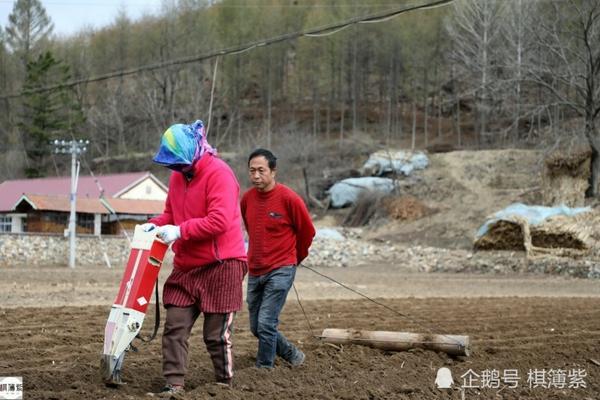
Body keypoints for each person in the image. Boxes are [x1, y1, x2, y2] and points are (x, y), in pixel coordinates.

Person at [144, 120, 247, 398]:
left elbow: (219, 221)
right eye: (172, 165)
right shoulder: (178, 177)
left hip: (222, 263)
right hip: (187, 265)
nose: (175, 169)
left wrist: (179, 231)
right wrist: (154, 225)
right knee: (175, 326)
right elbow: (171, 214)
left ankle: (224, 386)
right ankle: (174, 384)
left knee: (215, 336)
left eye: (178, 163)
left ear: (193, 152)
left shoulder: (220, 174)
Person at [240, 148, 316, 369]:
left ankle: (264, 367)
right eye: (252, 171)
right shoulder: (247, 199)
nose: (256, 176)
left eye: (261, 171)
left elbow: (307, 232)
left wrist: (294, 258)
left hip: (281, 268)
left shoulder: (289, 199)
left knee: (266, 322)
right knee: (256, 327)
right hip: (255, 269)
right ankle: (293, 354)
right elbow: (251, 229)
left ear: (273, 171)